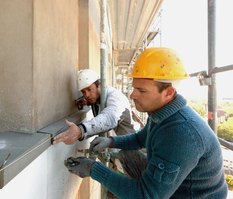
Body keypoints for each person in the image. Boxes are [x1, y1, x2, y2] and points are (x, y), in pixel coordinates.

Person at [64, 47, 228, 198]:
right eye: (134, 87)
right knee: (128, 157)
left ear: (168, 92)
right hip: (176, 189)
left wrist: (93, 169)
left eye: (141, 90)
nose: (133, 95)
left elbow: (146, 196)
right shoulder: (160, 113)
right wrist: (111, 140)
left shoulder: (181, 134)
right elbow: (139, 139)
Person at [53, 69, 135, 145]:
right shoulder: (96, 98)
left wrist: (81, 130)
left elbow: (110, 117)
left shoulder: (116, 97)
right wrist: (87, 102)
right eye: (83, 92)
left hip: (130, 147)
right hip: (115, 147)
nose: (86, 95)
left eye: (89, 89)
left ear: (99, 85)